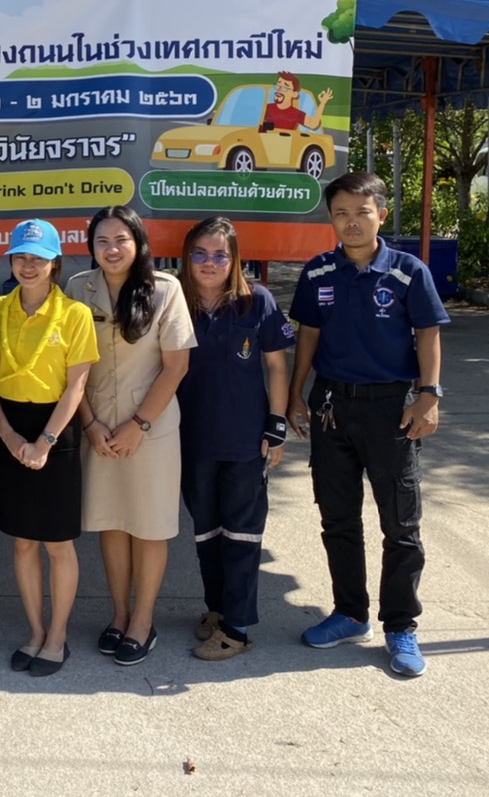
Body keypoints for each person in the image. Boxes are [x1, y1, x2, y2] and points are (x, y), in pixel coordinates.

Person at [288, 172, 448, 677]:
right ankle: (350, 614)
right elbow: (308, 337)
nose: (351, 222)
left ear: (381, 213)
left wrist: (428, 396)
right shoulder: (318, 272)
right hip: (331, 405)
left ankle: (400, 625)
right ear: (330, 219)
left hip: (391, 410)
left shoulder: (407, 271)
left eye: (362, 212)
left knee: (401, 524)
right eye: (341, 213)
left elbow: (428, 333)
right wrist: (295, 396)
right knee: (337, 518)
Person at [66, 206, 194, 666]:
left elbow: (176, 367)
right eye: (102, 241)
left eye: (121, 239)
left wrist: (138, 425)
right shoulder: (77, 288)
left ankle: (143, 620)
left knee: (149, 526)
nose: (111, 249)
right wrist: (89, 425)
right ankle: (119, 615)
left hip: (150, 431)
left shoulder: (166, 289)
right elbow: (69, 368)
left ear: (138, 243)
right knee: (112, 523)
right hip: (97, 430)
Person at [0, 219, 98, 678]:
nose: (28, 266)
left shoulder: (75, 314)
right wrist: (8, 435)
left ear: (55, 264)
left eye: (39, 258)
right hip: (10, 425)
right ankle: (34, 630)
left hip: (56, 429)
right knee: (23, 541)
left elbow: (76, 386)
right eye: (21, 257)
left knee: (58, 544)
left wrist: (45, 441)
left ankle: (57, 636)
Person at [175, 217, 294, 661]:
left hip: (245, 441)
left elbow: (277, 367)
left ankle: (237, 629)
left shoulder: (256, 301)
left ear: (234, 259)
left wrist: (276, 427)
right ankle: (218, 609)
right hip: (191, 439)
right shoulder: (173, 301)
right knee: (206, 533)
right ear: (187, 258)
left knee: (241, 534)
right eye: (200, 254)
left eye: (220, 255)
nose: (209, 263)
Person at [261, 71, 333, 132]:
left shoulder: (296, 113)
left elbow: (313, 124)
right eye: (278, 86)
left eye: (284, 88)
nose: (279, 90)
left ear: (294, 94)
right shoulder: (266, 108)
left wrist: (322, 103)